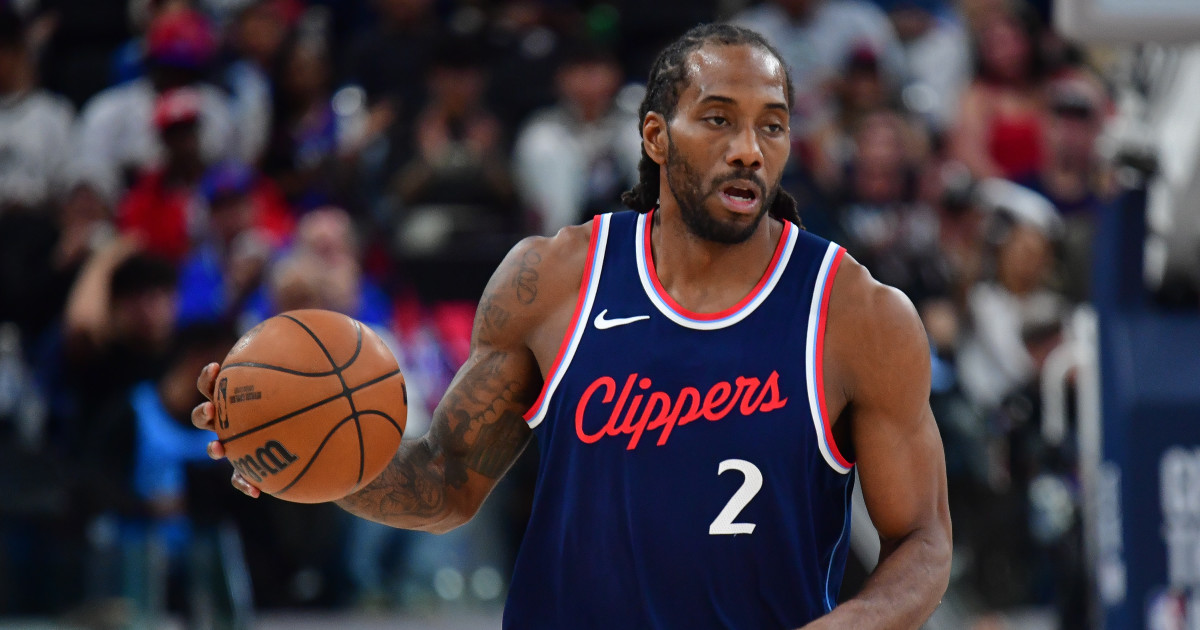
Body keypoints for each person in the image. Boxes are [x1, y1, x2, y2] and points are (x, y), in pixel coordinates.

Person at [194, 24, 951, 628]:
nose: (749, 149)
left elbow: (922, 540)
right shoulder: (555, 282)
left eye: (772, 126)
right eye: (718, 120)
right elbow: (443, 484)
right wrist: (299, 455)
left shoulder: (857, 315)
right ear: (655, 137)